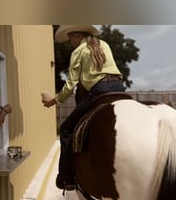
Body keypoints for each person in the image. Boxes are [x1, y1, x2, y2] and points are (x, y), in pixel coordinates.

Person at [42, 25, 125, 191]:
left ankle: (67, 178)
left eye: (69, 39)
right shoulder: (104, 44)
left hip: (98, 92)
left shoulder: (78, 52)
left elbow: (71, 84)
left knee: (66, 129)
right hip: (119, 88)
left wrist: (54, 101)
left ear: (76, 35)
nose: (69, 43)